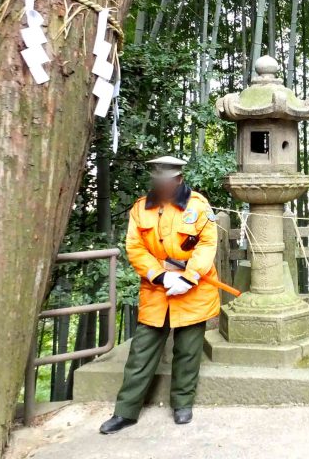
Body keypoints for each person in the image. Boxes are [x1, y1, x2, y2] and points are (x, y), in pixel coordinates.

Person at [99, 155, 219, 434]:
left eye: (168, 182)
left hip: (193, 289)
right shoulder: (141, 209)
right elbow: (135, 247)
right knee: (141, 351)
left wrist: (189, 277)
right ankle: (126, 410)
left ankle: (182, 404)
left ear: (178, 180)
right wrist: (161, 275)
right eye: (158, 181)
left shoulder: (198, 206)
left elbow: (207, 244)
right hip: (156, 290)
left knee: (188, 350)